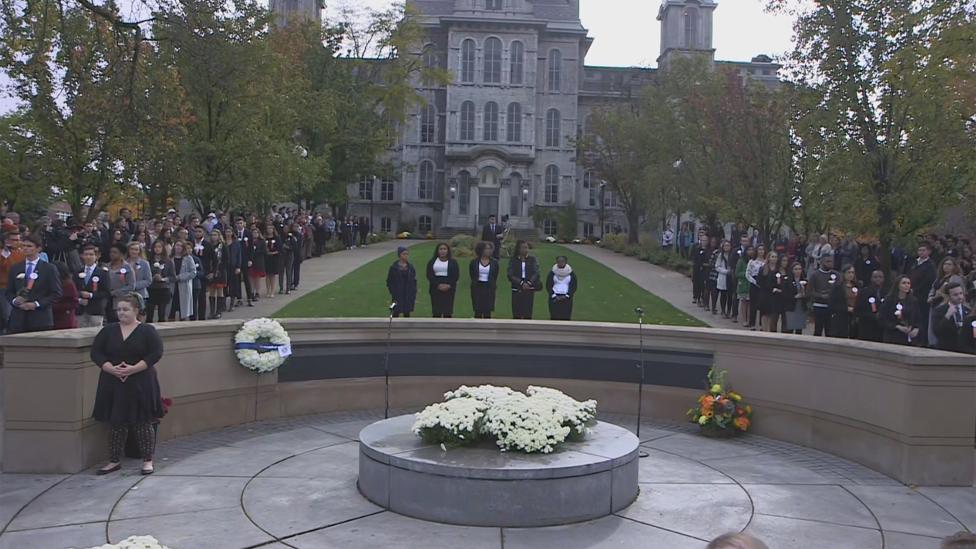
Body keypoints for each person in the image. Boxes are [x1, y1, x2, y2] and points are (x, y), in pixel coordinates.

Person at [90, 293, 164, 476]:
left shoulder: (147, 331)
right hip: (113, 381)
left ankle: (147, 460)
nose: (121, 313)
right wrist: (111, 368)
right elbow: (96, 352)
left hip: (140, 381)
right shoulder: (108, 330)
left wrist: (133, 369)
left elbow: (155, 353)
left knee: (142, 422)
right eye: (119, 309)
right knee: (116, 423)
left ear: (136, 311)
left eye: (126, 309)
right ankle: (114, 460)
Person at [5, 235, 62, 334]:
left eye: (29, 246)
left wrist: (36, 304)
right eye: (24, 246)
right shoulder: (15, 268)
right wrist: (15, 300)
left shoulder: (49, 268)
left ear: (38, 248)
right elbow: (9, 291)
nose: (25, 248)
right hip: (18, 319)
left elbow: (56, 293)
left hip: (40, 319)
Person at [927, 256, 964, 347]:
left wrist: (941, 295)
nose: (946, 266)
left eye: (949, 264)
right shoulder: (939, 278)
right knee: (934, 325)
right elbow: (933, 289)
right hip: (935, 304)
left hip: (947, 304)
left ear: (954, 266)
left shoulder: (955, 278)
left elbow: (957, 292)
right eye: (945, 264)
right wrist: (931, 297)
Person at [76, 244, 112, 328]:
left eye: (91, 254)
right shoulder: (77, 271)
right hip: (80, 310)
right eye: (86, 254)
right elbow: (74, 289)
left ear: (96, 256)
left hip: (96, 310)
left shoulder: (102, 273)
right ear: (82, 256)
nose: (88, 257)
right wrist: (80, 297)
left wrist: (91, 295)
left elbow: (106, 292)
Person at [909, 243, 936, 346]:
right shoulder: (915, 263)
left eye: (923, 250)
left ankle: (922, 340)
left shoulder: (930, 265)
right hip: (912, 294)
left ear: (928, 251)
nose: (921, 252)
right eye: (919, 250)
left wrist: (915, 289)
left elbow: (928, 281)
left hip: (922, 296)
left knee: (922, 318)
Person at [880, 275, 920, 346]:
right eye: (904, 283)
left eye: (908, 283)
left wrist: (916, 329)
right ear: (897, 285)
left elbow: (917, 318)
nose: (906, 285)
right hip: (893, 336)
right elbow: (882, 318)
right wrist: (897, 326)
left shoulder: (913, 301)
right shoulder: (889, 300)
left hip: (908, 337)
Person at [933, 282, 972, 354]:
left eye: (961, 293)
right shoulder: (939, 310)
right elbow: (937, 331)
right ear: (948, 296)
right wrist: (947, 315)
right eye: (955, 295)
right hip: (946, 350)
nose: (959, 297)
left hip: (965, 352)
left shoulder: (969, 311)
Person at [508, 240, 540, 320]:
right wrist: (521, 283)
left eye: (527, 247)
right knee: (517, 313)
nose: (526, 249)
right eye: (524, 247)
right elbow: (510, 274)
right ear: (519, 249)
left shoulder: (532, 259)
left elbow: (536, 272)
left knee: (527, 312)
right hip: (517, 288)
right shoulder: (513, 260)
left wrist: (529, 283)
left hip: (529, 289)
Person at [426, 242, 459, 318]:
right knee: (436, 311)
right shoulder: (432, 262)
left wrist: (448, 285)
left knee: (447, 311)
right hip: (435, 288)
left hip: (449, 288)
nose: (443, 251)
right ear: (437, 251)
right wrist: (438, 285)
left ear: (448, 251)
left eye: (444, 249)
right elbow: (429, 275)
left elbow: (456, 276)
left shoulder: (453, 262)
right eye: (441, 249)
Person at [105, 244, 135, 324]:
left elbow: (131, 286)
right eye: (111, 252)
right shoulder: (106, 266)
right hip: (107, 301)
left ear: (122, 254)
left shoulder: (127, 268)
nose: (112, 254)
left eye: (115, 252)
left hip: (121, 300)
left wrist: (115, 292)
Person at [146, 240, 175, 323]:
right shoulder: (149, 261)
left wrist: (163, 279)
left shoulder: (168, 261)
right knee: (150, 313)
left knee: (162, 313)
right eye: (155, 247)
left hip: (163, 289)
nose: (157, 249)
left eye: (159, 247)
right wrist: (152, 277)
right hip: (151, 289)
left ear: (163, 249)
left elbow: (173, 277)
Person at [809, 255, 838, 336]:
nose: (830, 264)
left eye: (831, 261)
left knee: (830, 331)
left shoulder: (836, 275)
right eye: (827, 262)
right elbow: (810, 291)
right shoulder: (815, 275)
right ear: (821, 262)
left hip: (832, 307)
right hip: (819, 306)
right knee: (818, 330)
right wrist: (821, 296)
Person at [470, 242, 499, 319]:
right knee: (478, 309)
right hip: (477, 286)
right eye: (486, 248)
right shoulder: (474, 262)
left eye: (490, 249)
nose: (489, 251)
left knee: (487, 309)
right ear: (481, 250)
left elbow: (495, 275)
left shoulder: (494, 262)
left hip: (489, 287)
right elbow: (472, 274)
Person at [855, 270, 886, 343]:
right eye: (875, 277)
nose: (878, 279)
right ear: (871, 278)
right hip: (867, 328)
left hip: (881, 329)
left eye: (880, 277)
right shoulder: (864, 292)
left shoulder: (887, 293)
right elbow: (857, 311)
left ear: (883, 279)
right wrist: (873, 316)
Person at [828, 264, 858, 338]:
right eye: (848, 272)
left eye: (852, 272)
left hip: (854, 316)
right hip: (841, 317)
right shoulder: (838, 287)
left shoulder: (857, 286)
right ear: (844, 273)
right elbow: (832, 304)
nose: (851, 275)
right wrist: (846, 308)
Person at [169, 240, 196, 321]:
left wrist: (180, 277)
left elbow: (193, 272)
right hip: (172, 286)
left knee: (183, 310)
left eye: (180, 246)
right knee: (170, 309)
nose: (178, 247)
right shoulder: (170, 258)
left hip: (184, 286)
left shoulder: (188, 258)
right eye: (177, 245)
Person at [386, 246, 417, 318]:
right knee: (396, 311)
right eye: (404, 254)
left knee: (407, 311)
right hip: (397, 292)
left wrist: (413, 290)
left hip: (408, 292)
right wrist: (393, 291)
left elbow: (414, 280)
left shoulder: (411, 267)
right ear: (399, 255)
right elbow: (389, 281)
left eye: (407, 254)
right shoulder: (393, 268)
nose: (406, 256)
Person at [546, 255, 578, 320]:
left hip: (566, 299)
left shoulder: (570, 273)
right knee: (554, 317)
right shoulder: (552, 272)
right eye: (559, 261)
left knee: (565, 318)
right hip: (554, 299)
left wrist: (567, 296)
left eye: (562, 261)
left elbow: (573, 286)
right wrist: (554, 296)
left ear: (566, 262)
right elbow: (548, 285)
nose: (560, 263)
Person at [206, 230, 229, 318]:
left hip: (220, 271)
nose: (213, 237)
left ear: (219, 236)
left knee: (220, 290)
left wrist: (220, 269)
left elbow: (226, 259)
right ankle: (212, 311)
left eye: (215, 235)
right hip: (211, 271)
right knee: (212, 291)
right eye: (212, 235)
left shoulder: (223, 246)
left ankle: (219, 311)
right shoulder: (209, 246)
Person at [52, 261, 78, 330]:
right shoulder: (52, 282)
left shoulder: (68, 284)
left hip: (65, 318)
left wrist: (55, 306)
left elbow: (74, 302)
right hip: (52, 317)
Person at [784, 262, 808, 334]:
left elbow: (809, 294)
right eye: (796, 269)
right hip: (791, 306)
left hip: (801, 306)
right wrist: (794, 297)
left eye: (799, 269)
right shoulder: (787, 281)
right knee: (790, 328)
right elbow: (784, 294)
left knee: (799, 328)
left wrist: (804, 294)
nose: (798, 271)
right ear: (792, 270)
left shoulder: (805, 281)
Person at [745, 245, 765, 329]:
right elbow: (747, 274)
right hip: (754, 283)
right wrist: (754, 282)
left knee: (762, 305)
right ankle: (752, 323)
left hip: (763, 284)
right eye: (759, 249)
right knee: (753, 304)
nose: (761, 251)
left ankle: (762, 324)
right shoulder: (752, 262)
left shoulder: (766, 262)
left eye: (762, 249)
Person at [127, 242, 152, 308]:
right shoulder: (124, 263)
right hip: (126, 295)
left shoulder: (145, 263)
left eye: (136, 249)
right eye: (132, 249)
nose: (133, 251)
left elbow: (148, 280)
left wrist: (134, 286)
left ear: (139, 251)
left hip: (141, 295)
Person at [711, 240, 732, 317]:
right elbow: (717, 267)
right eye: (725, 246)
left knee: (730, 295)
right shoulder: (720, 256)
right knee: (723, 295)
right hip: (723, 276)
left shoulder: (732, 255)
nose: (727, 247)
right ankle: (723, 310)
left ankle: (729, 311)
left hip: (730, 278)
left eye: (728, 245)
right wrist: (725, 271)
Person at [248, 227, 267, 302]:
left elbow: (264, 251)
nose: (255, 234)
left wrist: (256, 251)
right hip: (251, 261)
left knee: (257, 278)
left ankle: (257, 292)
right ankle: (251, 292)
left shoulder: (262, 241)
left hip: (259, 261)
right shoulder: (249, 241)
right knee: (251, 277)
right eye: (253, 233)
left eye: (256, 233)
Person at [691, 233, 710, 306]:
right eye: (703, 240)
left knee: (704, 285)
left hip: (706, 270)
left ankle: (703, 299)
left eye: (705, 240)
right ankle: (698, 298)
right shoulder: (697, 249)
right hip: (698, 269)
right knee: (698, 284)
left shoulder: (708, 250)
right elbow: (695, 260)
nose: (704, 242)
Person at [263, 226, 279, 298]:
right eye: (268, 228)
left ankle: (272, 291)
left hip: (274, 258)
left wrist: (273, 253)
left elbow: (279, 248)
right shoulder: (264, 238)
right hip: (266, 258)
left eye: (271, 228)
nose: (269, 230)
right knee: (267, 275)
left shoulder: (276, 238)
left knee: (272, 275)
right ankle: (268, 291)